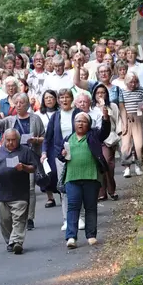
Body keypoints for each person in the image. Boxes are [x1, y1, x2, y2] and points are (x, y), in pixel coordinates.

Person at [0, 92, 45, 231]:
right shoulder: (10, 120)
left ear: (27, 105)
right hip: (11, 155)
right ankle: (15, 213)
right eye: (17, 103)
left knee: (30, 187)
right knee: (12, 183)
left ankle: (29, 217)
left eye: (22, 103)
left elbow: (44, 137)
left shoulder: (35, 119)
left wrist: (35, 140)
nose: (19, 105)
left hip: (29, 154)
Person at [57, 111, 110, 249]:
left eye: (84, 121)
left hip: (91, 177)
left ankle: (91, 235)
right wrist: (62, 154)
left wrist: (105, 117)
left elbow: (105, 132)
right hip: (72, 178)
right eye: (78, 121)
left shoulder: (93, 136)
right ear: (74, 124)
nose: (80, 124)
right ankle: (71, 237)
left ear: (89, 124)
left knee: (90, 207)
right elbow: (60, 155)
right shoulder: (68, 138)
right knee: (72, 207)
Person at [41, 88, 83, 232]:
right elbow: (48, 137)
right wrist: (44, 152)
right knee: (64, 187)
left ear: (71, 99)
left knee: (79, 185)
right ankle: (66, 219)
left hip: (78, 153)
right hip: (60, 155)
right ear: (58, 100)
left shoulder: (78, 113)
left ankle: (80, 216)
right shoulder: (56, 116)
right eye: (62, 98)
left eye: (67, 97)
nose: (64, 100)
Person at [0, 129, 37, 254]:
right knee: (4, 220)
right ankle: (11, 241)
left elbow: (33, 168)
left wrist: (24, 167)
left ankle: (17, 242)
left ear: (18, 140)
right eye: (8, 140)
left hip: (20, 193)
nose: (10, 143)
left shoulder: (25, 151)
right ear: (4, 139)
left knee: (19, 220)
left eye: (13, 140)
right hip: (2, 194)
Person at [89, 84, 121, 201]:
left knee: (108, 163)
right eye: (98, 93)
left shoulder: (112, 106)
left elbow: (117, 120)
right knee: (99, 165)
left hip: (108, 139)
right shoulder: (91, 108)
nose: (100, 95)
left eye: (103, 92)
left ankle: (111, 189)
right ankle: (101, 191)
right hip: (95, 138)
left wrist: (119, 135)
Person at [121, 73, 143, 177]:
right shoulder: (122, 91)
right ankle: (127, 168)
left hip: (138, 117)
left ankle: (138, 166)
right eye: (131, 82)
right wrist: (124, 122)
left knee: (139, 145)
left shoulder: (141, 90)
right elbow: (121, 107)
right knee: (126, 145)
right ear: (126, 82)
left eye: (135, 82)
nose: (133, 84)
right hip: (126, 118)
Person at [36, 90, 59, 207]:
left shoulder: (60, 112)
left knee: (58, 170)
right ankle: (50, 197)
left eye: (51, 97)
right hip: (44, 145)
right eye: (46, 98)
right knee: (46, 171)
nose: (49, 100)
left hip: (58, 143)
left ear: (56, 99)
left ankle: (62, 192)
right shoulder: (38, 114)